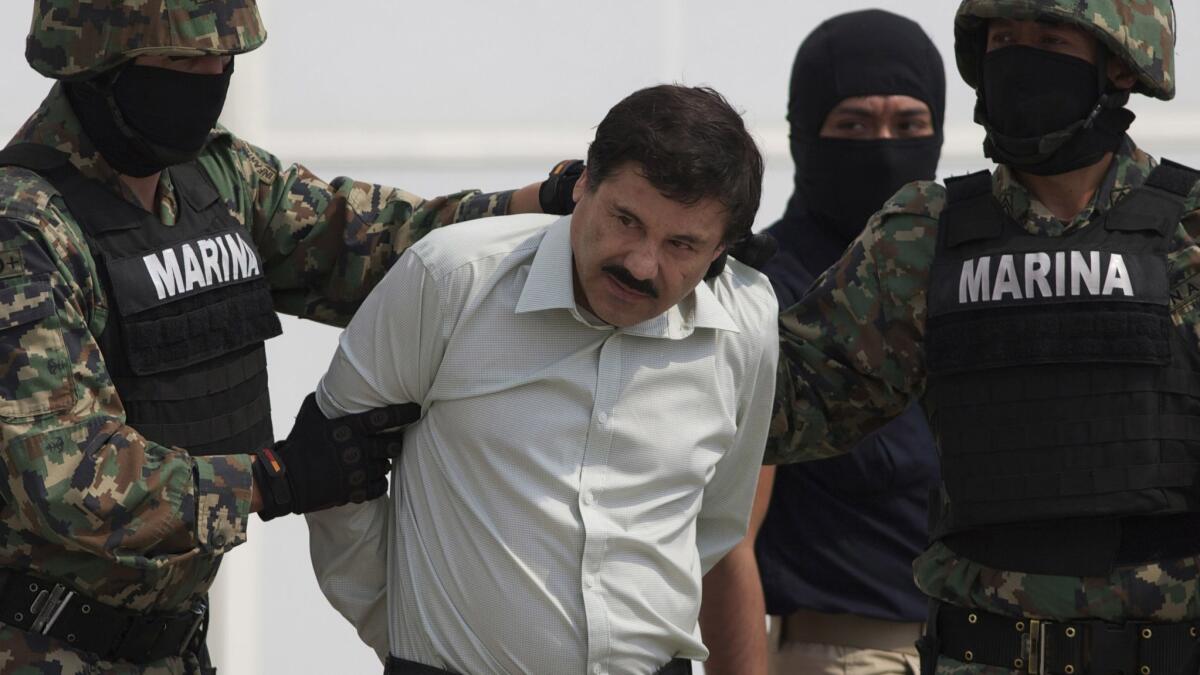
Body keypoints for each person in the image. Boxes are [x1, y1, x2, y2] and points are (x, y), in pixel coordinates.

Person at [0, 1, 570, 672]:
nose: (213, 77)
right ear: (98, 63)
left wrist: (552, 205)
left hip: (168, 646)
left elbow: (381, 245)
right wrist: (275, 481)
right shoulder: (24, 231)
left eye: (224, 60)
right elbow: (69, 480)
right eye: (186, 61)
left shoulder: (216, 180)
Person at [767, 0, 1200, 673]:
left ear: (1120, 63)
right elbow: (783, 405)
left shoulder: (1189, 232)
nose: (1019, 60)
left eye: (1049, 40)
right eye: (1003, 39)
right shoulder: (923, 234)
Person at [306, 84, 778, 675]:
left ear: (722, 250)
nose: (641, 263)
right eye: (625, 220)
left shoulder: (749, 320)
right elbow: (328, 463)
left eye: (682, 244)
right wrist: (405, 634)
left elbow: (716, 522)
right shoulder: (451, 279)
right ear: (583, 184)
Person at [699, 10, 944, 675]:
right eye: (854, 125)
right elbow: (726, 541)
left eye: (910, 125)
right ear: (806, 133)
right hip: (846, 653)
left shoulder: (960, 273)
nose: (885, 145)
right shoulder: (768, 290)